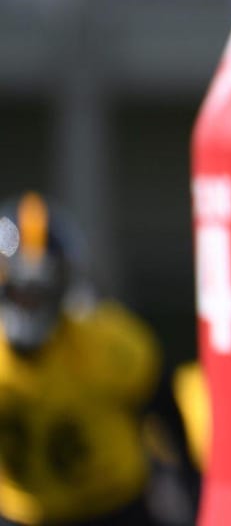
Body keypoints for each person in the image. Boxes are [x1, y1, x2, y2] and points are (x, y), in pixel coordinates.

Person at [0, 192, 165, 525]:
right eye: (20, 291)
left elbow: (161, 403)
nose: (30, 302)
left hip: (113, 507)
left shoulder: (106, 345)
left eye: (41, 292)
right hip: (23, 512)